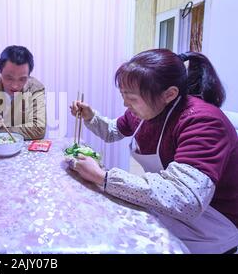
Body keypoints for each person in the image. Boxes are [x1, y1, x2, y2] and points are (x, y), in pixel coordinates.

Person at [68, 49, 238, 254]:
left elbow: (186, 199)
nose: (125, 104)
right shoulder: (145, 112)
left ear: (169, 94)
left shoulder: (202, 122)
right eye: (123, 96)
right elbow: (113, 131)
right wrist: (89, 116)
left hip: (213, 222)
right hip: (171, 207)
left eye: (131, 97)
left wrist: (103, 177)